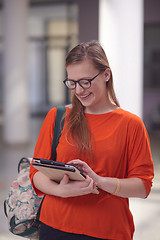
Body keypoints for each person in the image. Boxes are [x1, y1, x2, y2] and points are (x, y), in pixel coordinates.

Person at [29, 40, 154, 240]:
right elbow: (35, 172)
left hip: (107, 230)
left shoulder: (131, 124)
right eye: (72, 82)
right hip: (54, 226)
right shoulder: (57, 116)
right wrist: (60, 191)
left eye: (85, 81)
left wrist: (99, 181)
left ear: (106, 75)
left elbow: (143, 187)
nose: (79, 90)